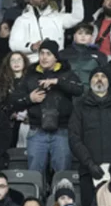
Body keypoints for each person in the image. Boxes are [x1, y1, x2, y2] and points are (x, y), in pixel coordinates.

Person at [69, 67, 111, 206]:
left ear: (108, 81)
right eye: (95, 76)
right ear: (90, 81)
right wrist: (89, 164)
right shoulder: (80, 106)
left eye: (103, 76)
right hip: (88, 172)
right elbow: (74, 138)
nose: (99, 79)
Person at [15, 39, 83, 173]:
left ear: (56, 57)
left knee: (62, 174)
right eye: (42, 53)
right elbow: (15, 100)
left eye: (48, 54)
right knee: (34, 174)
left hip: (62, 131)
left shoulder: (67, 73)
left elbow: (79, 89)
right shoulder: (30, 75)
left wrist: (58, 82)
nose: (44, 57)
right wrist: (29, 98)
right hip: (37, 130)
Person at [9, 0, 84, 63]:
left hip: (56, 63)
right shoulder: (22, 20)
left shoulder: (57, 17)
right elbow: (14, 44)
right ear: (30, 0)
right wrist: (31, 46)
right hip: (32, 62)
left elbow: (77, 17)